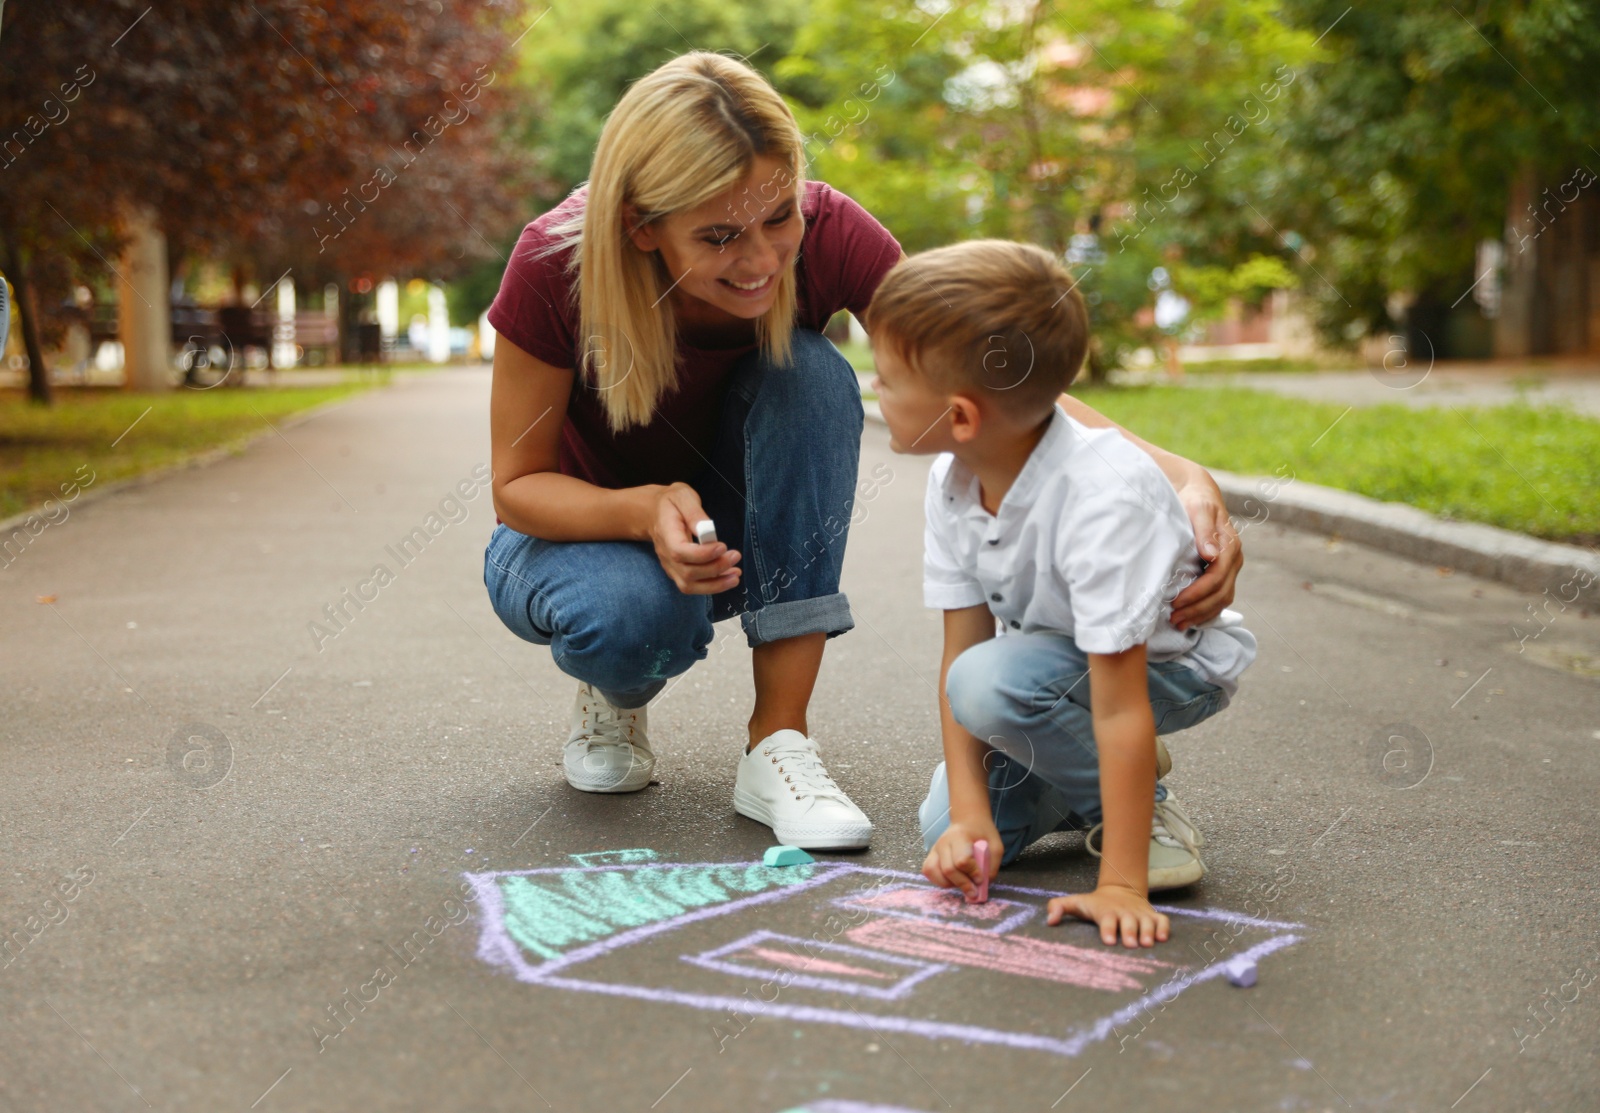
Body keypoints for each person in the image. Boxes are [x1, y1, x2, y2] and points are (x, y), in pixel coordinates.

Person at [481, 51, 1246, 852]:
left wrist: (1184, 478)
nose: (763, 259)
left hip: (736, 532)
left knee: (811, 371)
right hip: (575, 539)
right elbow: (518, 486)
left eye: (779, 216)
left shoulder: (831, 233)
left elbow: (989, 382)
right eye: (718, 236)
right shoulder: (553, 263)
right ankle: (614, 691)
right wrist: (641, 511)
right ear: (641, 225)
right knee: (637, 619)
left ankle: (777, 742)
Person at [863, 239, 1257, 946]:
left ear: (959, 416)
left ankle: (1145, 808)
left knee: (992, 685)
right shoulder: (954, 479)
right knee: (950, 823)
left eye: (886, 379)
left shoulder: (1101, 500)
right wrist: (967, 816)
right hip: (1052, 668)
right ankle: (1093, 781)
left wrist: (1121, 886)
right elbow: (959, 648)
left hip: (1170, 669)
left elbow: (1119, 703)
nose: (874, 390)